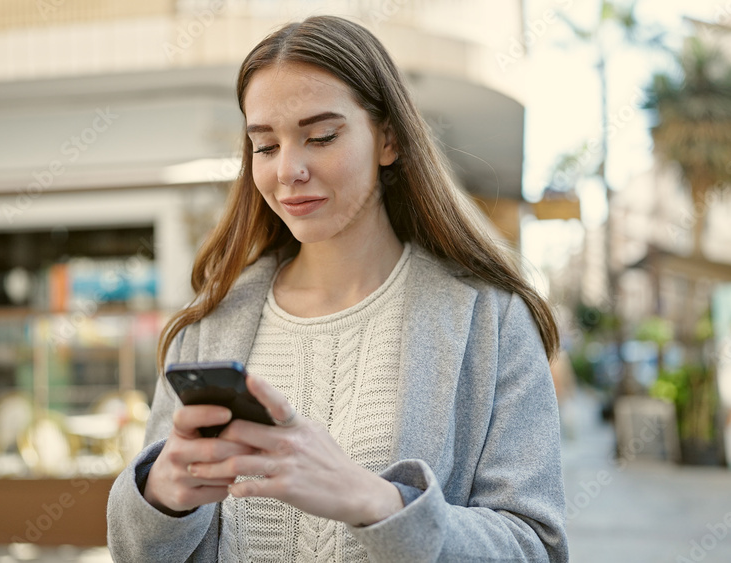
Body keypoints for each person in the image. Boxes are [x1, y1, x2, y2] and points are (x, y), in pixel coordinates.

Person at [107, 15, 568, 562]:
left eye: (320, 136)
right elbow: (135, 552)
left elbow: (535, 548)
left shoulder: (490, 320)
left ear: (389, 139)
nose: (289, 170)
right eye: (265, 145)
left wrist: (372, 500)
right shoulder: (209, 324)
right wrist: (162, 497)